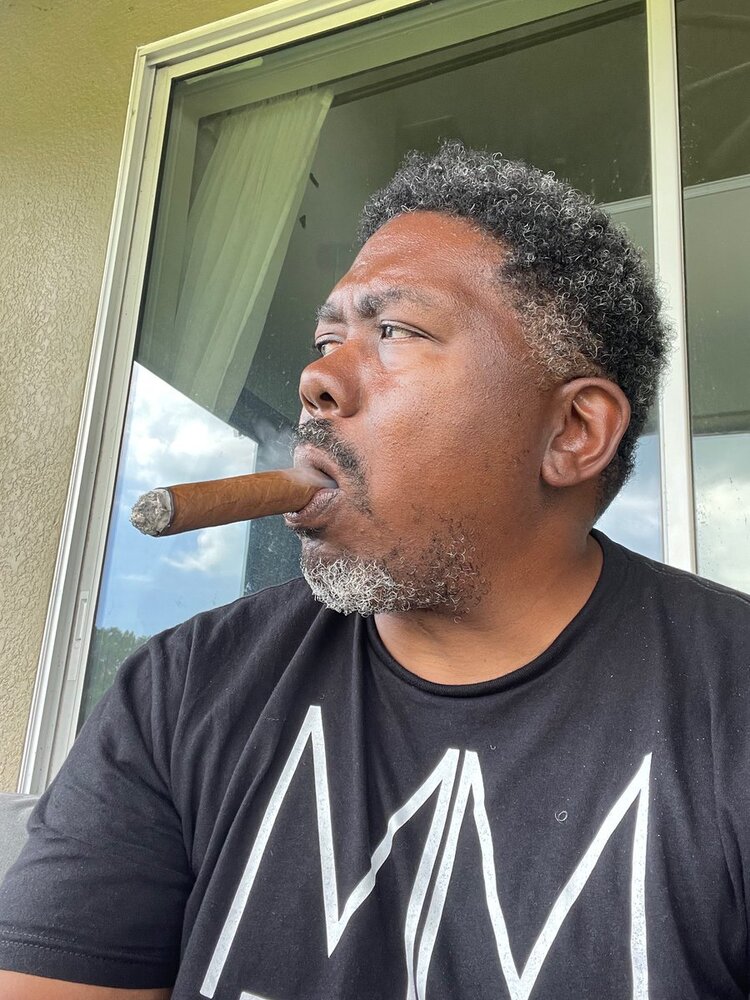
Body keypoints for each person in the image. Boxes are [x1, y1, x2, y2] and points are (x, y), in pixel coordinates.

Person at [1, 140, 749, 1000]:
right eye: (328, 338)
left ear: (573, 432)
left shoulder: (730, 702)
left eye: (395, 331)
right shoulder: (184, 688)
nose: (317, 378)